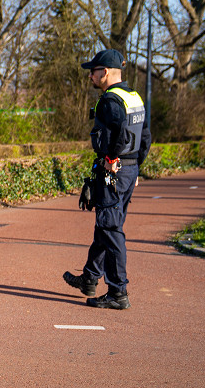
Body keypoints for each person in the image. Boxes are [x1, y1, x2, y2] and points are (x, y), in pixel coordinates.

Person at [63, 49, 150, 310]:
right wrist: (135, 167)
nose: (91, 75)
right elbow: (144, 137)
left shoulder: (110, 100)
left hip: (113, 171)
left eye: (94, 70)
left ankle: (117, 292)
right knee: (106, 225)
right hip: (128, 169)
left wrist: (112, 159)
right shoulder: (133, 97)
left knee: (111, 230)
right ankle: (90, 278)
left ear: (107, 72)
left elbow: (119, 135)